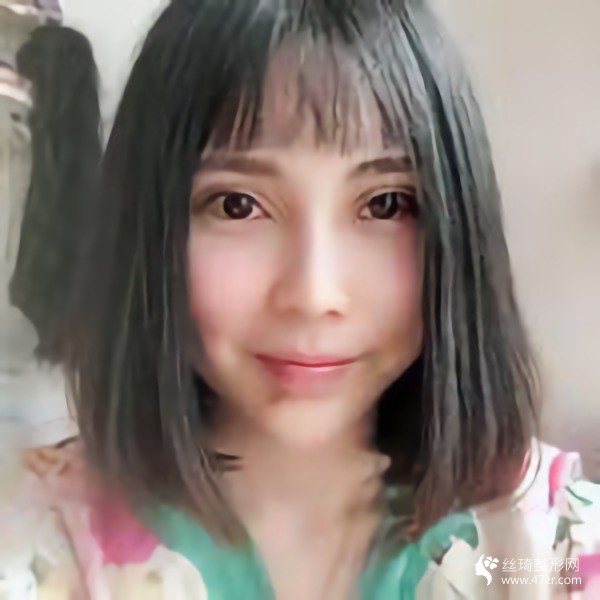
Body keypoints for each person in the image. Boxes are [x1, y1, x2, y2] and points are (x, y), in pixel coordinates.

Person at [3, 0, 600, 598]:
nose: (314, 295)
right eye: (238, 205)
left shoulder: (548, 553)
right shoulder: (37, 541)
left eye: (385, 204)